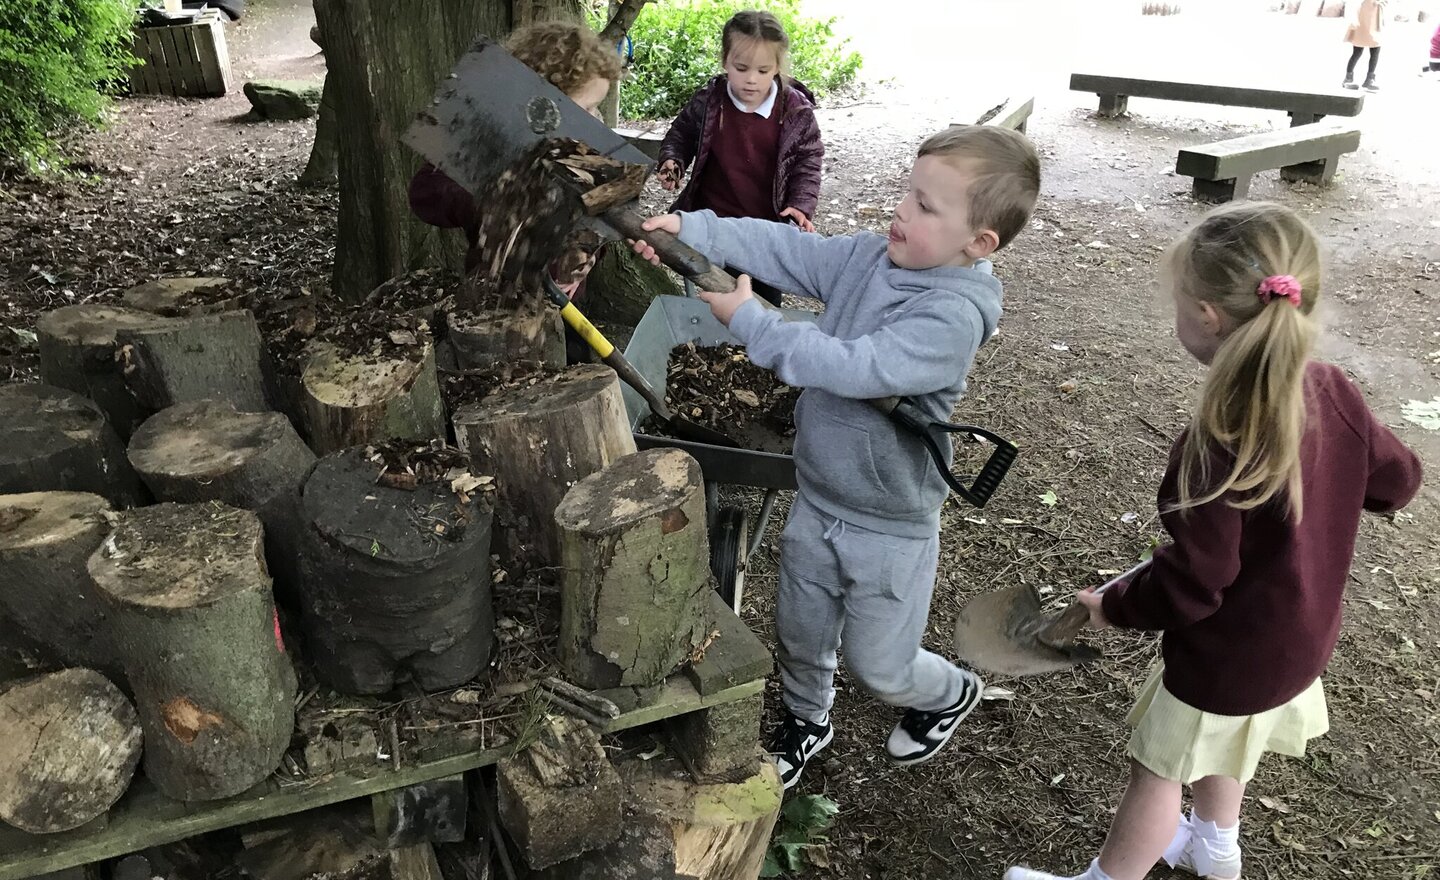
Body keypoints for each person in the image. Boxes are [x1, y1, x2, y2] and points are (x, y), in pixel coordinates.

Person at [1005, 202, 1423, 880]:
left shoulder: (1216, 442)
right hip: (1297, 642)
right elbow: (1397, 482)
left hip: (1226, 656)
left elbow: (1195, 583)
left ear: (1207, 316)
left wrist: (1116, 606)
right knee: (1224, 746)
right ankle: (1214, 847)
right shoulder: (1331, 388)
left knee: (1159, 769)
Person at [634, 126, 1042, 790]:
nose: (902, 211)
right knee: (801, 627)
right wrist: (692, 228)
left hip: (889, 523)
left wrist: (752, 323)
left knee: (881, 665)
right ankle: (805, 718)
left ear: (978, 244)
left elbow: (854, 367)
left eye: (927, 207)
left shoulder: (950, 318)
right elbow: (786, 248)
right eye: (908, 192)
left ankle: (947, 692)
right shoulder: (869, 258)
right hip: (820, 494)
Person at [407, 21, 621, 362]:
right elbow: (424, 193)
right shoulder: (488, 140)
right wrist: (488, 200)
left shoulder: (584, 150)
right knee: (504, 375)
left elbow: (599, 218)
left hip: (568, 302)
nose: (595, 120)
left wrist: (583, 256)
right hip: (496, 304)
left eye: (597, 108)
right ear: (542, 106)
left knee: (571, 362)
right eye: (586, 109)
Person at [655, 10, 824, 307]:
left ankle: (758, 350)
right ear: (725, 61)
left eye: (762, 71)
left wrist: (800, 204)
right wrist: (673, 160)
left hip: (766, 230)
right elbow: (681, 134)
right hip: (713, 221)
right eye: (741, 68)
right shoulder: (710, 101)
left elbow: (808, 161)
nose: (750, 80)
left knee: (763, 301)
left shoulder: (794, 112)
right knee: (710, 294)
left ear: (777, 67)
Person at [1342, 0, 1387, 91]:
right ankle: (1348, 78)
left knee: (1375, 48)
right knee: (1358, 50)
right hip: (1363, 15)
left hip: (1376, 16)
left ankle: (1369, 79)